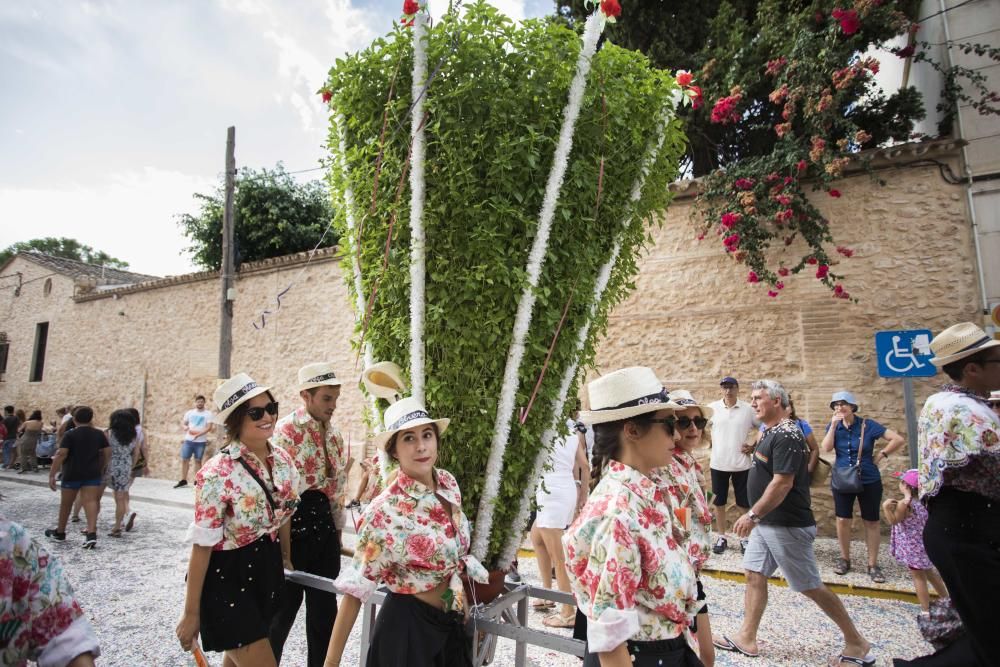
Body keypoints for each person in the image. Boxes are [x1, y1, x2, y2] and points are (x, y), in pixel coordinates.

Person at [714, 379, 873, 667]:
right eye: (751, 397)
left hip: (785, 523)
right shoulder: (769, 431)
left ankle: (857, 643)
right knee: (753, 573)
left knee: (809, 584)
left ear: (777, 401)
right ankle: (746, 638)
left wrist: (752, 515)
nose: (752, 403)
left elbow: (782, 484)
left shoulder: (787, 434)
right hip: (769, 523)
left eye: (758, 398)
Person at [324, 396, 489, 667]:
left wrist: (464, 606)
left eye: (427, 435)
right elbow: (356, 587)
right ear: (394, 451)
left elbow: (452, 564)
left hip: (450, 625)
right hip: (407, 633)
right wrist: (331, 662)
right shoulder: (384, 510)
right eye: (409, 439)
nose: (421, 446)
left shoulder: (447, 483)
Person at [562, 366, 700, 667]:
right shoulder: (618, 512)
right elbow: (610, 639)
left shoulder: (645, 493)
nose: (677, 435)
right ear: (632, 430)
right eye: (667, 424)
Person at [176, 373, 299, 666]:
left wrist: (285, 558)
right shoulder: (216, 472)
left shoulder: (283, 460)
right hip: (227, 578)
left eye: (271, 408)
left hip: (266, 572)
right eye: (255, 412)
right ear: (235, 420)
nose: (267, 417)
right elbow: (202, 545)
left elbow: (283, 517)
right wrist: (191, 612)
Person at [901, 322, 1000, 666]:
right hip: (967, 531)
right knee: (989, 640)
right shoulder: (967, 411)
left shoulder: (941, 401)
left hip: (959, 528)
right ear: (973, 368)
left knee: (983, 634)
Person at [268, 363, 349, 667]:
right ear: (306, 395)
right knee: (280, 614)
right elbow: (279, 494)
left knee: (324, 614)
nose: (333, 405)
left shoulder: (336, 433)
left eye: (336, 398)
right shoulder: (285, 432)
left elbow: (338, 489)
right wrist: (282, 549)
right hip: (294, 527)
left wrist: (337, 534)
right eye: (327, 398)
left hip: (324, 529)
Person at [820, 390, 905, 583]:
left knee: (871, 521)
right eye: (835, 404)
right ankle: (844, 559)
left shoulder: (868, 425)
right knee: (842, 519)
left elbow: (897, 439)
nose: (839, 408)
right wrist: (833, 426)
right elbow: (826, 448)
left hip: (868, 478)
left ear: (852, 406)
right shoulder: (834, 426)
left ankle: (873, 564)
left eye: (843, 404)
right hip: (842, 478)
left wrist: (881, 455)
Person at [1, 514, 101, 666]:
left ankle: (65, 530)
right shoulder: (11, 539)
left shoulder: (10, 540)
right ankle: (93, 530)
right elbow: (66, 640)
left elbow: (63, 636)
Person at [666, 389, 716, 667]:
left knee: (705, 656)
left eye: (698, 421)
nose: (693, 428)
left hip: (690, 572)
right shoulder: (669, 463)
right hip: (679, 575)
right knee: (702, 656)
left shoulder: (688, 462)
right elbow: (678, 521)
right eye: (684, 422)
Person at [529, 406, 590, 629]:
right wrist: (583, 493)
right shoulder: (572, 428)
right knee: (536, 537)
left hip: (551, 491)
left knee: (559, 556)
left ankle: (568, 611)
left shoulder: (542, 426)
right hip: (566, 489)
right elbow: (584, 464)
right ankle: (547, 594)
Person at [881, 469, 947, 612]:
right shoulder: (926, 501)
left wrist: (886, 508)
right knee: (930, 572)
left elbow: (894, 521)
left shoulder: (905, 504)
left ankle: (925, 610)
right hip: (925, 543)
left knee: (918, 577)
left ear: (906, 486)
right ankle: (948, 600)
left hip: (912, 547)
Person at [44, 407, 110, 550]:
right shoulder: (99, 434)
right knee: (91, 501)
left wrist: (52, 474)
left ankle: (60, 532)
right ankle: (91, 533)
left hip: (72, 473)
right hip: (92, 473)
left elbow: (61, 454)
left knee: (66, 504)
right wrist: (101, 467)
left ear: (74, 419)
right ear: (91, 419)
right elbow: (107, 452)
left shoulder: (70, 435)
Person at [706, 376, 759, 554]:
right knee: (718, 502)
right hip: (718, 463)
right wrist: (709, 445)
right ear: (721, 389)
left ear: (737, 388)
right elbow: (700, 428)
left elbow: (763, 427)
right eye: (724, 387)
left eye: (731, 387)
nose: (728, 391)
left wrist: (753, 445)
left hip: (741, 464)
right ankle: (721, 536)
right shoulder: (712, 408)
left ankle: (745, 538)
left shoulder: (747, 409)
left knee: (744, 502)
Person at [105, 409, 140, 538]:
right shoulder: (133, 435)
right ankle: (117, 526)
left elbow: (106, 451)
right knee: (121, 498)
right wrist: (131, 466)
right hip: (126, 465)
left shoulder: (109, 433)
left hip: (111, 464)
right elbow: (136, 452)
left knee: (98, 496)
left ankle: (91, 527)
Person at [175, 394, 214, 488]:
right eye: (198, 401)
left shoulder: (208, 414)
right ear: (195, 402)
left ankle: (197, 481)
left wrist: (198, 435)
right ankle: (183, 480)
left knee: (198, 460)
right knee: (185, 459)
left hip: (200, 441)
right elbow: (184, 424)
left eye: (201, 401)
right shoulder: (190, 413)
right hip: (188, 440)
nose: (200, 403)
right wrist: (185, 427)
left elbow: (209, 427)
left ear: (204, 403)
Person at [125, 407, 147, 531]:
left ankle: (126, 513)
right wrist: (146, 464)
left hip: (125, 462)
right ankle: (126, 513)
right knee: (126, 489)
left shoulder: (125, 430)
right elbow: (144, 448)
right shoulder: (141, 430)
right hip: (136, 463)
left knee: (122, 491)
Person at [16, 409, 44, 473]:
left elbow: (19, 430)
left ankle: (24, 468)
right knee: (33, 454)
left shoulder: (27, 422)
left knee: (23, 454)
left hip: (25, 439)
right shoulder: (41, 423)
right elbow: (39, 431)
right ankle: (35, 467)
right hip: (34, 440)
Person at [2, 405, 21, 469]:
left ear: (6, 411)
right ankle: (11, 464)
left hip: (6, 437)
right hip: (14, 437)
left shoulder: (5, 419)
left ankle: (6, 464)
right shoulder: (16, 418)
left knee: (6, 451)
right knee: (13, 452)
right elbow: (19, 427)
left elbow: (3, 429)